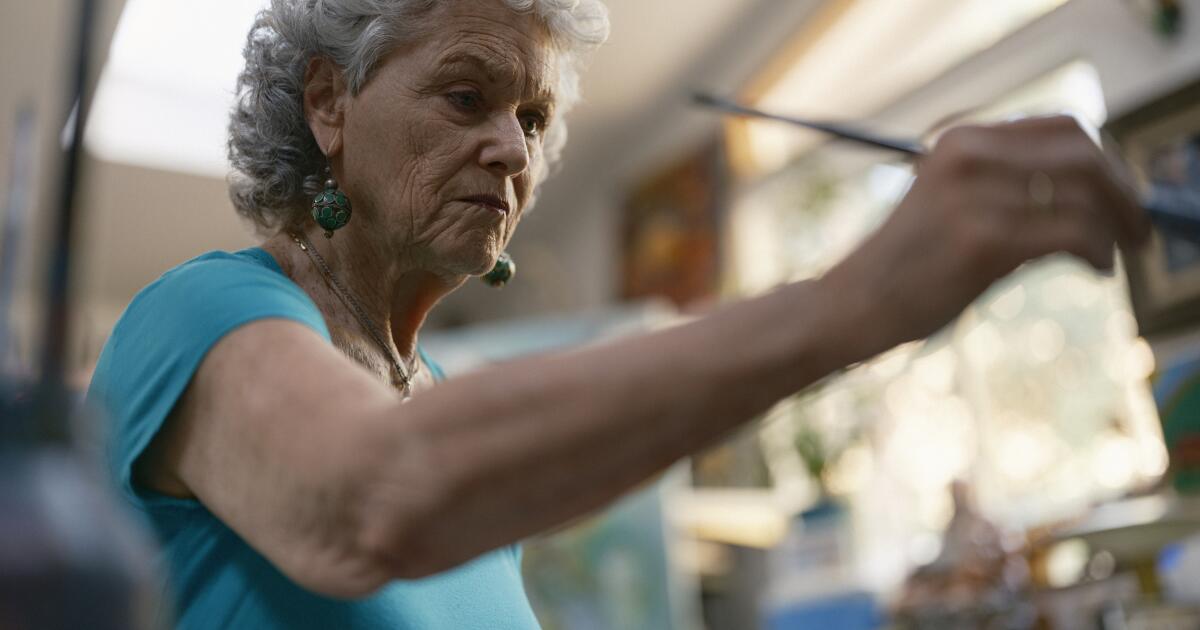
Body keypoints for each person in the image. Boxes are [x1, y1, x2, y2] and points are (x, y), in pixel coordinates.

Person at [86, 0, 1149, 628]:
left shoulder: (440, 413)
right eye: (467, 97)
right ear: (329, 103)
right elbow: (370, 495)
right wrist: (856, 302)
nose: (513, 148)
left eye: (533, 115)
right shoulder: (198, 312)